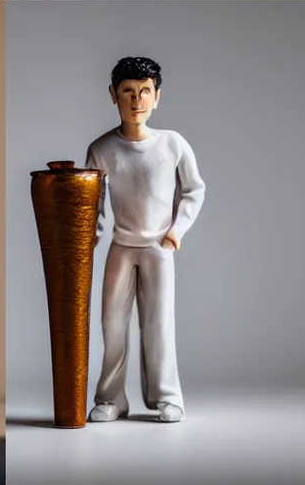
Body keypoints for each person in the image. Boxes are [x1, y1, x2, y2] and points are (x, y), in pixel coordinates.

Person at [86, 57, 205, 424]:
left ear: (157, 97)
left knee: (158, 322)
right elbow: (94, 205)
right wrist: (89, 241)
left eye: (144, 92)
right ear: (113, 96)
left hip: (158, 249)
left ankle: (167, 396)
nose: (136, 100)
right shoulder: (102, 148)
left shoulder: (173, 144)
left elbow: (194, 191)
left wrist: (174, 233)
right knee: (112, 323)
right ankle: (111, 397)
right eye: (127, 92)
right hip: (121, 249)